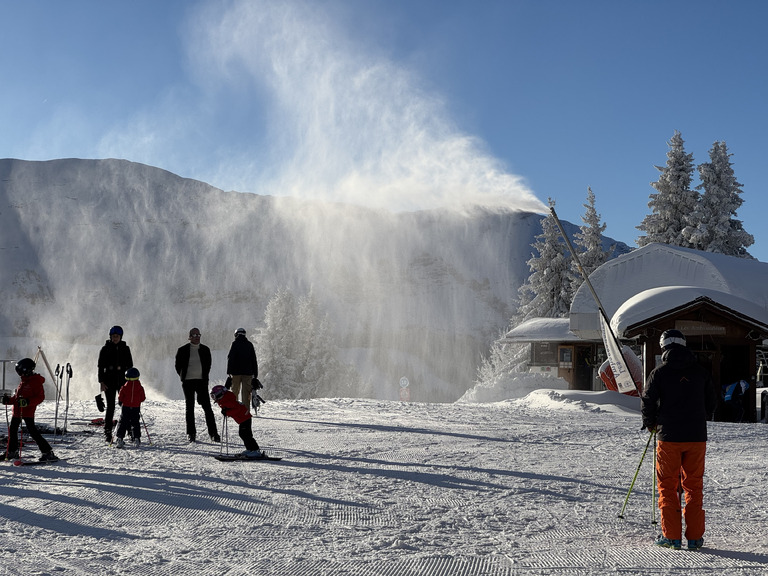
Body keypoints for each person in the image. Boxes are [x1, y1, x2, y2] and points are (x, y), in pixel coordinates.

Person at [641, 329, 716, 551]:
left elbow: (648, 400)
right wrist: (702, 416)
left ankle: (671, 536)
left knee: (668, 485)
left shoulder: (659, 373)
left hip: (669, 436)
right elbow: (711, 402)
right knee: (693, 485)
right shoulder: (701, 372)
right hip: (696, 437)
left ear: (664, 347)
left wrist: (651, 423)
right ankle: (694, 538)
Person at [2, 358, 57, 462]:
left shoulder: (35, 381)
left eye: (20, 371)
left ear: (26, 370)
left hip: (27, 412)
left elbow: (40, 397)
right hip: (17, 411)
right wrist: (7, 400)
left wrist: (27, 402)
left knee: (32, 431)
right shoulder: (24, 380)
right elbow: (17, 398)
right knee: (12, 430)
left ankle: (47, 452)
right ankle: (12, 451)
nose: (19, 374)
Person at [175, 328, 220, 443]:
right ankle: (191, 433)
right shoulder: (182, 350)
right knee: (189, 407)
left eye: (198, 334)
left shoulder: (205, 350)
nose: (197, 337)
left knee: (207, 408)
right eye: (194, 335)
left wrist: (204, 377)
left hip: (201, 382)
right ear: (189, 337)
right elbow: (177, 366)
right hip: (188, 382)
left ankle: (214, 434)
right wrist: (183, 377)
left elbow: (208, 365)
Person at [97, 325, 134, 443]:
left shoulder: (125, 349)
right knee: (111, 406)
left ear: (121, 337)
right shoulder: (105, 349)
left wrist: (130, 381)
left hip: (123, 382)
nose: (115, 338)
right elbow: (100, 367)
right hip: (109, 381)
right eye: (113, 336)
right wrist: (101, 382)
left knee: (126, 406)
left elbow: (130, 366)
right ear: (110, 337)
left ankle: (128, 430)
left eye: (117, 336)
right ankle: (108, 431)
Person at [210, 384, 261, 457]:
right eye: (212, 396)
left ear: (220, 394)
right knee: (243, 434)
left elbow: (237, 409)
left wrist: (227, 412)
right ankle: (250, 449)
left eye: (214, 396)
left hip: (245, 418)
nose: (213, 398)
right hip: (242, 419)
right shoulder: (223, 400)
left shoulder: (227, 400)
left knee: (246, 435)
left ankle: (256, 450)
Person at [114, 367, 146, 448]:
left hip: (126, 408)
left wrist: (121, 402)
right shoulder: (140, 388)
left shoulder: (124, 387)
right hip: (136, 408)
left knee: (123, 422)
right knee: (135, 423)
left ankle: (120, 439)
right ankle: (136, 438)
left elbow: (120, 397)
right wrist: (137, 401)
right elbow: (143, 398)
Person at [226, 328, 258, 405]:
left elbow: (230, 358)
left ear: (236, 335)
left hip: (235, 373)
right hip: (248, 373)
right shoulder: (249, 344)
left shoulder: (234, 344)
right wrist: (255, 374)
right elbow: (254, 360)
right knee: (246, 393)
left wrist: (229, 372)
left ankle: (235, 410)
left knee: (234, 392)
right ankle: (246, 412)